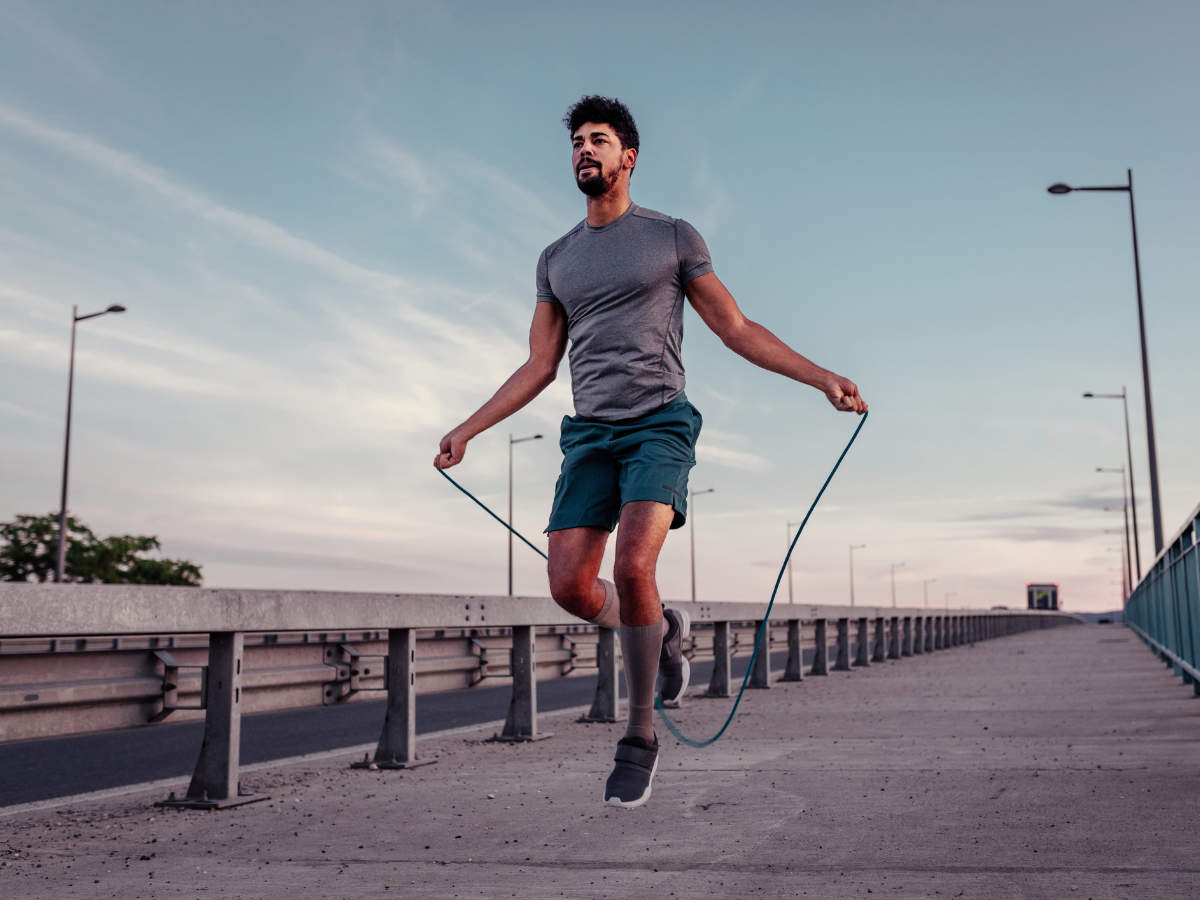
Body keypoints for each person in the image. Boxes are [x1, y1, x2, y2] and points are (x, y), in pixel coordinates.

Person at [435, 95, 867, 809]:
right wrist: (469, 428)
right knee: (570, 587)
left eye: (598, 140)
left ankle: (639, 734)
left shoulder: (671, 237)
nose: (584, 151)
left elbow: (735, 327)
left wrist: (821, 376)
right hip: (589, 433)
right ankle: (665, 629)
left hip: (659, 423)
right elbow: (539, 365)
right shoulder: (556, 259)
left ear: (628, 157)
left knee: (635, 565)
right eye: (576, 141)